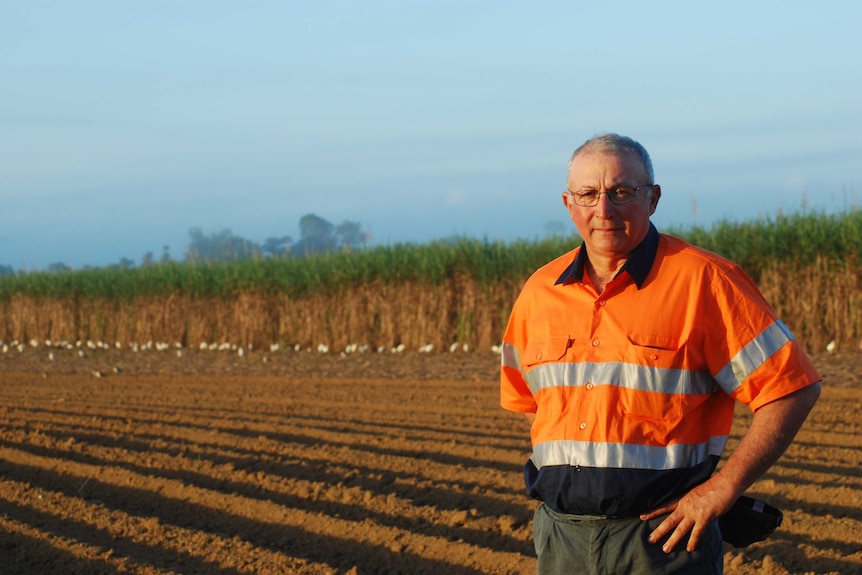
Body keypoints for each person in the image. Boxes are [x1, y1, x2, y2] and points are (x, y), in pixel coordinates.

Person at [500, 133, 822, 574]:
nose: (604, 210)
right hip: (562, 540)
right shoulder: (539, 292)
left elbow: (792, 388)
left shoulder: (705, 281)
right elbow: (530, 404)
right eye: (589, 194)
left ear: (652, 198)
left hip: (662, 543)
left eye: (622, 192)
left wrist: (722, 487)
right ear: (568, 203)